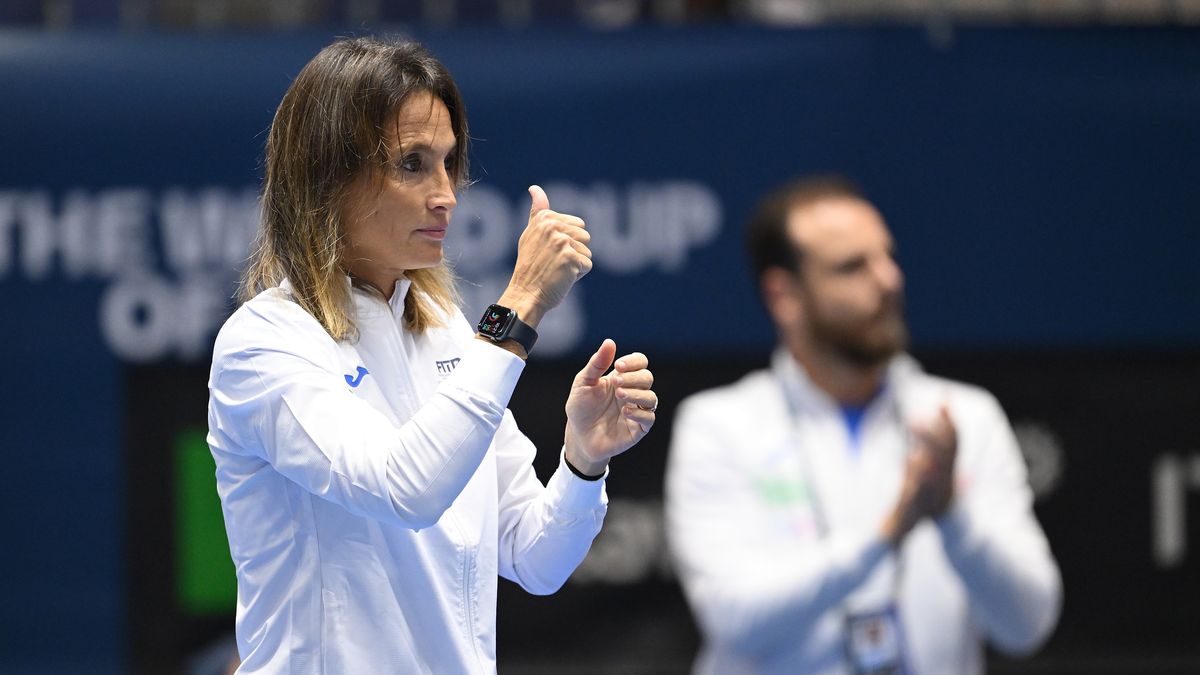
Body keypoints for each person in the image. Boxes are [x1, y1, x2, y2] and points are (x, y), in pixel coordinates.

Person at [206, 37, 658, 673]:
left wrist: (583, 461)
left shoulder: (449, 333)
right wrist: (521, 306)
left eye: (449, 163)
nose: (445, 193)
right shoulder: (264, 343)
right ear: (327, 176)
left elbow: (535, 558)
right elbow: (403, 490)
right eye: (412, 164)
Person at [665, 175, 1061, 674]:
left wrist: (953, 515)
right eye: (852, 267)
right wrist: (887, 534)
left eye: (887, 257)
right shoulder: (721, 424)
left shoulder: (961, 417)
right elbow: (733, 618)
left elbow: (1028, 625)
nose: (888, 280)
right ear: (783, 295)